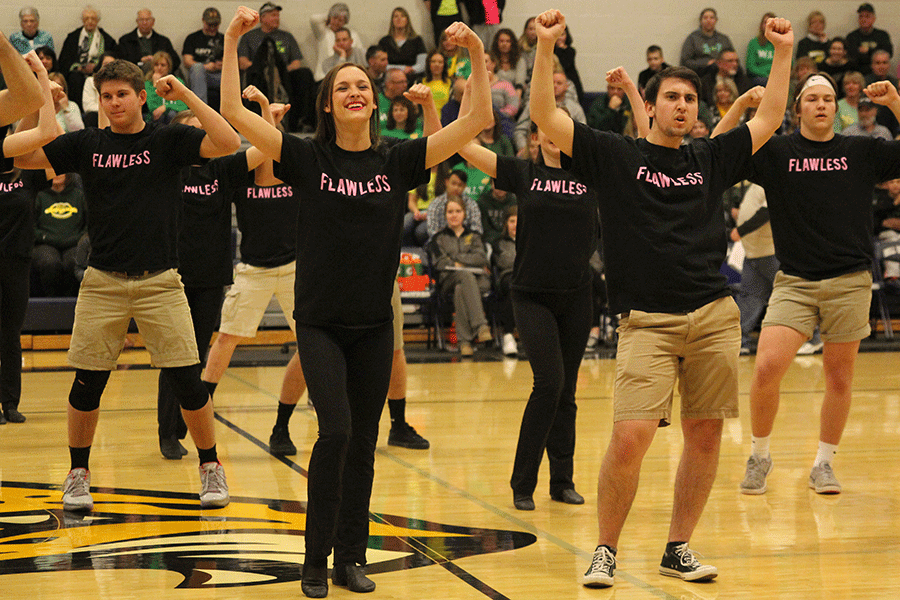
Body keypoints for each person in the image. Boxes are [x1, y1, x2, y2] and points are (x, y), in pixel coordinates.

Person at [220, 7, 492, 597]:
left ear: (373, 102)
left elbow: (478, 119)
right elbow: (236, 114)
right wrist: (232, 38)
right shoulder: (305, 157)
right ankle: (313, 560)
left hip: (374, 326)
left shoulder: (395, 161)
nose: (353, 92)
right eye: (342, 86)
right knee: (337, 433)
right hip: (319, 323)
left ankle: (351, 558)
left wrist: (473, 49)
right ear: (326, 103)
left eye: (361, 87)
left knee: (365, 445)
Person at [526, 9, 792, 588]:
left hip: (714, 317)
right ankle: (605, 550)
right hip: (647, 323)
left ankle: (678, 548)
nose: (683, 107)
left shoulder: (710, 157)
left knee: (705, 433)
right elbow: (545, 113)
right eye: (671, 97)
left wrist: (783, 50)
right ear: (651, 106)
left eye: (690, 100)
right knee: (630, 438)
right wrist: (547, 46)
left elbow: (770, 113)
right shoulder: (615, 156)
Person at [14, 57, 242, 511]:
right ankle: (78, 473)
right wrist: (41, 100)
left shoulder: (168, 139)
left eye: (123, 94)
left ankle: (210, 466)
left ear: (142, 97)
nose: (115, 102)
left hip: (160, 281)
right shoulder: (87, 143)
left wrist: (186, 95)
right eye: (107, 95)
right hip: (102, 282)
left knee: (188, 383)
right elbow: (24, 155)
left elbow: (228, 141)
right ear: (99, 101)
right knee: (86, 383)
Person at [459, 66, 647, 511]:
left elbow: (643, 147)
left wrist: (634, 93)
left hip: (577, 295)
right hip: (531, 294)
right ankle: (522, 483)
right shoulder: (522, 173)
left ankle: (562, 480)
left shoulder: (591, 174)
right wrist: (466, 91)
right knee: (549, 382)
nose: (551, 134)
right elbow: (464, 147)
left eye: (559, 127)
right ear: (536, 135)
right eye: (544, 127)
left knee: (567, 392)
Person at [730, 73, 900, 498]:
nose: (821, 105)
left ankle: (823, 463)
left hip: (850, 282)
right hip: (795, 283)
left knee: (839, 376)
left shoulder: (861, 151)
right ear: (798, 109)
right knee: (767, 367)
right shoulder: (777, 152)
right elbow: (714, 153)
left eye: (827, 99)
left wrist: (896, 103)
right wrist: (738, 109)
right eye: (812, 99)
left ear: (835, 108)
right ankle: (759, 455)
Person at [0, 51, 58, 425]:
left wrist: (44, 86)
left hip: (16, 260)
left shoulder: (28, 175)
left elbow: (45, 136)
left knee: (10, 332)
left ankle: (9, 402)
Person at [238, 2, 314, 132]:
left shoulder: (286, 36)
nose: (277, 18)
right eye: (273, 15)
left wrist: (280, 71)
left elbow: (296, 63)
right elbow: (243, 62)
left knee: (305, 73)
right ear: (262, 18)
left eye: (278, 15)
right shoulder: (249, 36)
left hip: (285, 76)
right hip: (259, 76)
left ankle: (304, 121)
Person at [430, 198, 492, 356]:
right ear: (445, 215)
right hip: (448, 280)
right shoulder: (438, 238)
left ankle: (464, 343)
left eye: (458, 211)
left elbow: (481, 259)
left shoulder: (475, 236)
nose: (454, 215)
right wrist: (465, 261)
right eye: (450, 212)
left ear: (464, 214)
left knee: (461, 287)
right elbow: (440, 263)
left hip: (477, 281)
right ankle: (480, 326)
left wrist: (457, 260)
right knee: (463, 278)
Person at [32, 172, 87, 298]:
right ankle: (50, 304)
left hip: (74, 243)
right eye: (52, 170)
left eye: (60, 171)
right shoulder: (40, 196)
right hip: (45, 243)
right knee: (50, 263)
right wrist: (45, 237)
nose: (56, 174)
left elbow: (88, 225)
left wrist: (80, 238)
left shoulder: (79, 195)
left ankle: (70, 304)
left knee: (73, 262)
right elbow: (31, 227)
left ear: (69, 175)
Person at [57, 6, 117, 111]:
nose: (90, 21)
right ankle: (77, 110)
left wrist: (95, 67)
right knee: (75, 78)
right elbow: (64, 60)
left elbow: (112, 57)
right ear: (82, 20)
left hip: (99, 71)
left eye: (93, 18)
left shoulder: (106, 39)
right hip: (77, 73)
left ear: (98, 20)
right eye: (86, 18)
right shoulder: (73, 37)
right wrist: (80, 68)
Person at [182, 7, 225, 106]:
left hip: (219, 76)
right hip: (200, 76)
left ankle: (231, 116)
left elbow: (234, 61)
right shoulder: (192, 38)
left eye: (215, 24)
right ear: (203, 21)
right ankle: (200, 110)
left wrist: (222, 65)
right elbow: (187, 61)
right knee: (197, 68)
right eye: (210, 24)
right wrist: (206, 67)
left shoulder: (224, 39)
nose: (212, 28)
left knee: (231, 73)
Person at [311, 3, 365, 82]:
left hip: (349, 77)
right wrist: (330, 15)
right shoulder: (323, 33)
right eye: (335, 18)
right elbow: (314, 19)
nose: (336, 22)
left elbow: (360, 56)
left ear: (345, 22)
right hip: (324, 78)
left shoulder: (353, 35)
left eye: (340, 20)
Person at [117, 9, 180, 74]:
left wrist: (157, 61)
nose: (144, 23)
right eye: (141, 20)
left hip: (159, 75)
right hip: (132, 75)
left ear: (153, 21)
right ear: (137, 21)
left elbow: (175, 61)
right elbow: (121, 62)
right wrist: (140, 61)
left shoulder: (163, 41)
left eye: (147, 20)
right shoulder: (125, 40)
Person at [492, 205, 517, 355]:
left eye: (519, 221)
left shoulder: (532, 240)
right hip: (508, 276)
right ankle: (508, 336)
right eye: (512, 221)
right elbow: (505, 262)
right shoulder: (499, 243)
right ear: (506, 224)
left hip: (530, 277)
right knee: (513, 285)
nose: (515, 225)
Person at [680, 7, 734, 73]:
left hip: (723, 73)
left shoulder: (724, 39)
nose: (708, 20)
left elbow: (733, 58)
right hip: (702, 73)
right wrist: (706, 63)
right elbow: (685, 62)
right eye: (705, 18)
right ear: (701, 21)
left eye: (712, 18)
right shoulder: (692, 38)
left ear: (716, 20)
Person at [378, 7, 427, 78]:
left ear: (407, 20)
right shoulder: (384, 41)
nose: (399, 19)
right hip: (390, 79)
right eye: (396, 16)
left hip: (412, 78)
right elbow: (380, 64)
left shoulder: (417, 40)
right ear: (392, 20)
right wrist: (403, 69)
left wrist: (412, 69)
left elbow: (422, 64)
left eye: (402, 16)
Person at [845, 2, 892, 76]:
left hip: (879, 74)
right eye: (861, 16)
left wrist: (868, 51)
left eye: (867, 16)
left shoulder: (882, 35)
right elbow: (852, 57)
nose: (864, 19)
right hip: (858, 74)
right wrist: (874, 51)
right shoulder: (851, 37)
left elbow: (888, 54)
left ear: (873, 19)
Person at [144, 52, 189, 124]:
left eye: (163, 65)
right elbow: (152, 108)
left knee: (172, 114)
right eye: (156, 65)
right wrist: (155, 85)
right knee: (160, 116)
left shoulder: (177, 81)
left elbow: (183, 106)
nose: (159, 68)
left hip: (173, 115)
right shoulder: (148, 83)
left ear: (168, 67)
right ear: (152, 67)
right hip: (156, 118)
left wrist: (165, 107)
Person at [491, 28, 526, 95]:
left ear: (512, 43)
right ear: (497, 43)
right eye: (501, 41)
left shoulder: (520, 61)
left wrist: (515, 101)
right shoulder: (491, 59)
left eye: (508, 41)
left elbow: (519, 85)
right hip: (494, 94)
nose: (504, 44)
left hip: (514, 95)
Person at [746, 12, 776, 85]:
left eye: (771, 23)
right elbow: (750, 67)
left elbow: (788, 64)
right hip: (759, 78)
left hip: (777, 77)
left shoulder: (780, 43)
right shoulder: (754, 43)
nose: (768, 25)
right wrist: (766, 74)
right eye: (766, 22)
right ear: (761, 25)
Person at [420, 49, 451, 113]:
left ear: (444, 65)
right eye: (433, 61)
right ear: (428, 64)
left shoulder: (451, 84)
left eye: (440, 62)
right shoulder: (419, 83)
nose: (436, 65)